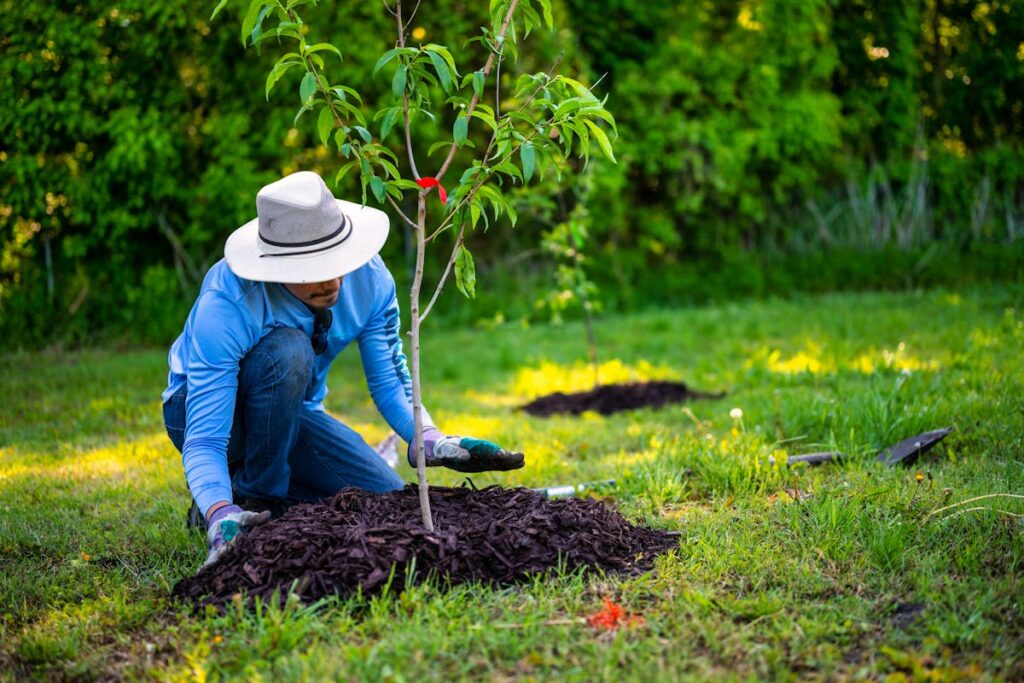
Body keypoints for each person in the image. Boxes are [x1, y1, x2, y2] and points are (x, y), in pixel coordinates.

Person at [162, 171, 524, 567]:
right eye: (312, 268)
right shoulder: (230, 302)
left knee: (383, 495)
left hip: (292, 415)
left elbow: (390, 378)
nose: (333, 280)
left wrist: (429, 438)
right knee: (289, 349)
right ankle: (246, 501)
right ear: (276, 267)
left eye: (338, 261)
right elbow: (205, 438)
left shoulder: (369, 279)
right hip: (205, 414)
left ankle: (251, 492)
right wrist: (219, 511)